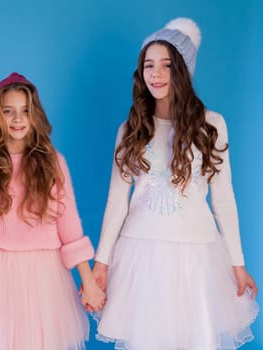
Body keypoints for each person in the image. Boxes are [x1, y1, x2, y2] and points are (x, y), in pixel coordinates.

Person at [92, 18, 259, 350]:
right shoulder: (130, 130)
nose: (156, 74)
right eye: (148, 65)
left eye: (167, 65)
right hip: (141, 253)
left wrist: (237, 264)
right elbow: (116, 202)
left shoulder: (211, 126)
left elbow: (223, 199)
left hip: (196, 257)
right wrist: (101, 263)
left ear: (183, 70)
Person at [0, 72, 106, 350]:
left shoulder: (53, 164)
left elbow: (70, 228)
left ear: (35, 115)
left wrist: (88, 280)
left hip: (43, 275)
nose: (17, 119)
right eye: (9, 112)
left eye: (25, 111)